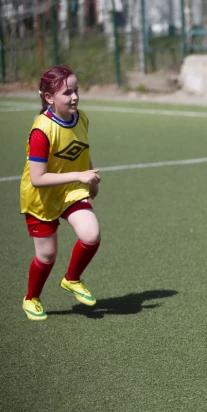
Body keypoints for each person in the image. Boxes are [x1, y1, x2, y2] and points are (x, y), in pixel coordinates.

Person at [20, 65, 102, 320]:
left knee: (91, 234)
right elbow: (37, 178)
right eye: (67, 93)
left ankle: (72, 279)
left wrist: (91, 179)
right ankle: (31, 298)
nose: (75, 97)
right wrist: (79, 176)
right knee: (47, 255)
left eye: (76, 90)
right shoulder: (41, 130)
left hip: (71, 192)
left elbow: (81, 150)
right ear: (49, 98)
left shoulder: (82, 118)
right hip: (41, 198)